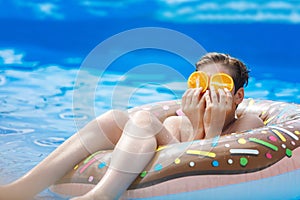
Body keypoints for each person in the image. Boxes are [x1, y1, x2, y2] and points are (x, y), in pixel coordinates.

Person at [0, 52, 264, 200]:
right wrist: (196, 125)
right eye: (200, 84)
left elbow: (200, 171)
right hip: (176, 135)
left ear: (238, 96)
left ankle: (103, 195)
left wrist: (214, 128)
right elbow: (175, 162)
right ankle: (24, 187)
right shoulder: (176, 121)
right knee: (116, 117)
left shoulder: (248, 123)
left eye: (219, 86)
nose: (207, 94)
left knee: (144, 120)